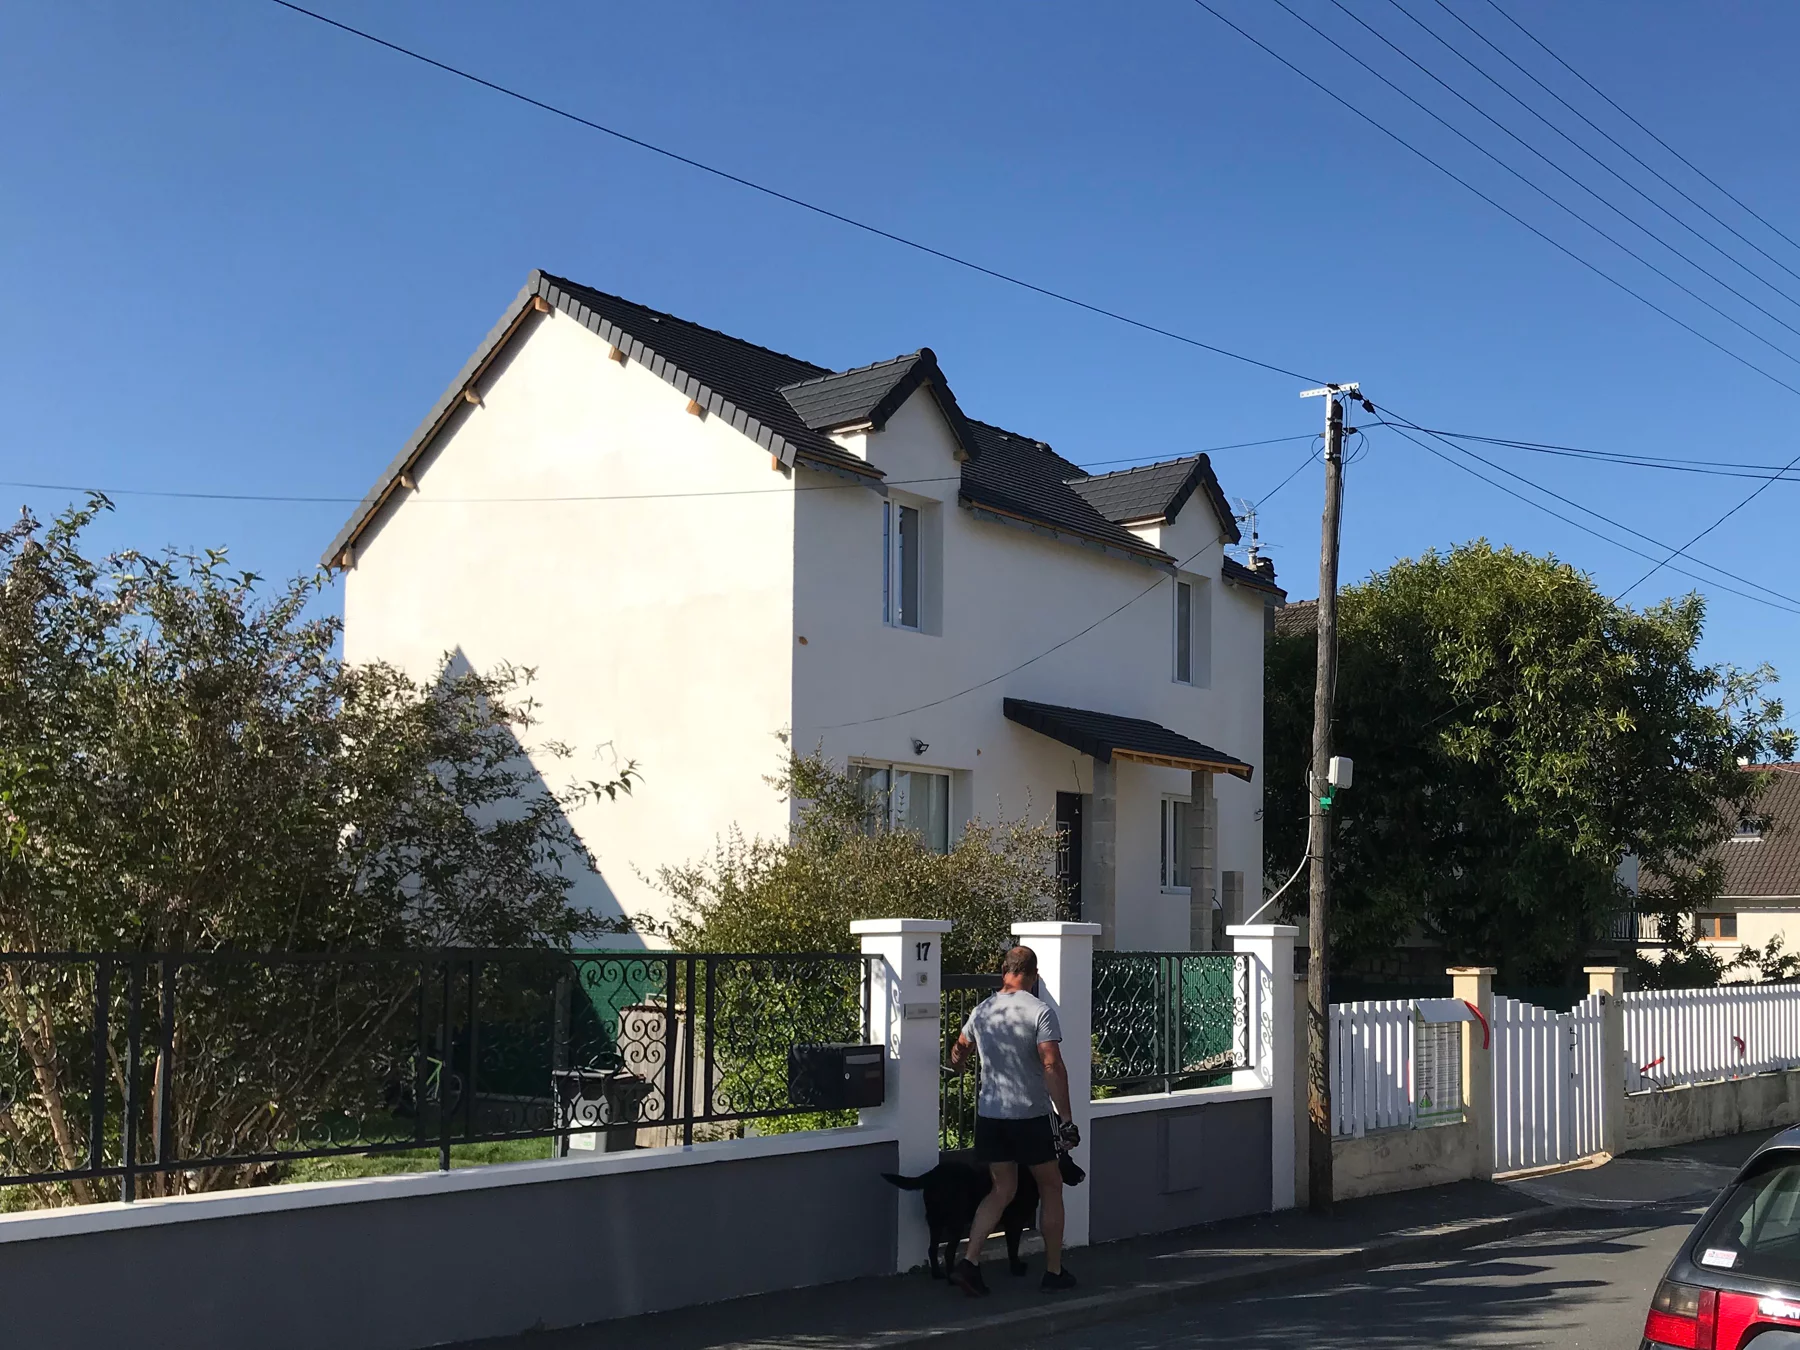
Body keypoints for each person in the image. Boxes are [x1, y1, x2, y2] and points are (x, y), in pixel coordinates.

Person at [946, 944, 1080, 1295]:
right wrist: (1066, 1118)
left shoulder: (983, 1010)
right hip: (1029, 1115)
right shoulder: (1040, 1011)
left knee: (1001, 1188)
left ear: (1004, 972)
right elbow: (1051, 1064)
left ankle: (970, 1262)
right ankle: (1053, 1272)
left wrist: (958, 1063)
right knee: (1051, 1186)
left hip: (991, 1115)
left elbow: (959, 1050)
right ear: (1033, 975)